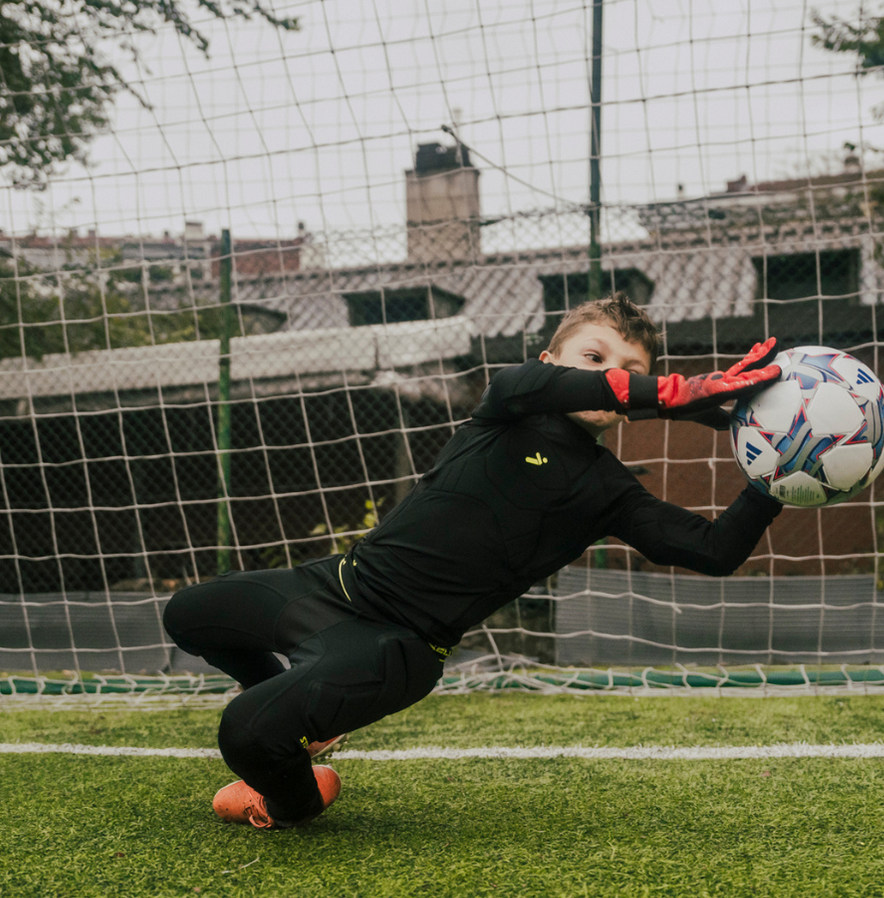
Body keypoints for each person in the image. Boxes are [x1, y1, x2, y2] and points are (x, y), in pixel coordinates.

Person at [162, 292, 784, 829]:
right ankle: (295, 707)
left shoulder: (608, 491)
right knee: (189, 613)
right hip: (335, 586)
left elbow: (715, 551)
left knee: (244, 733)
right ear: (552, 361)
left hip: (397, 647)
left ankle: (292, 801)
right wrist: (681, 393)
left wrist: (777, 476)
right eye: (593, 358)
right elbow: (543, 388)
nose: (609, 376)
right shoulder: (509, 402)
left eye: (630, 370)